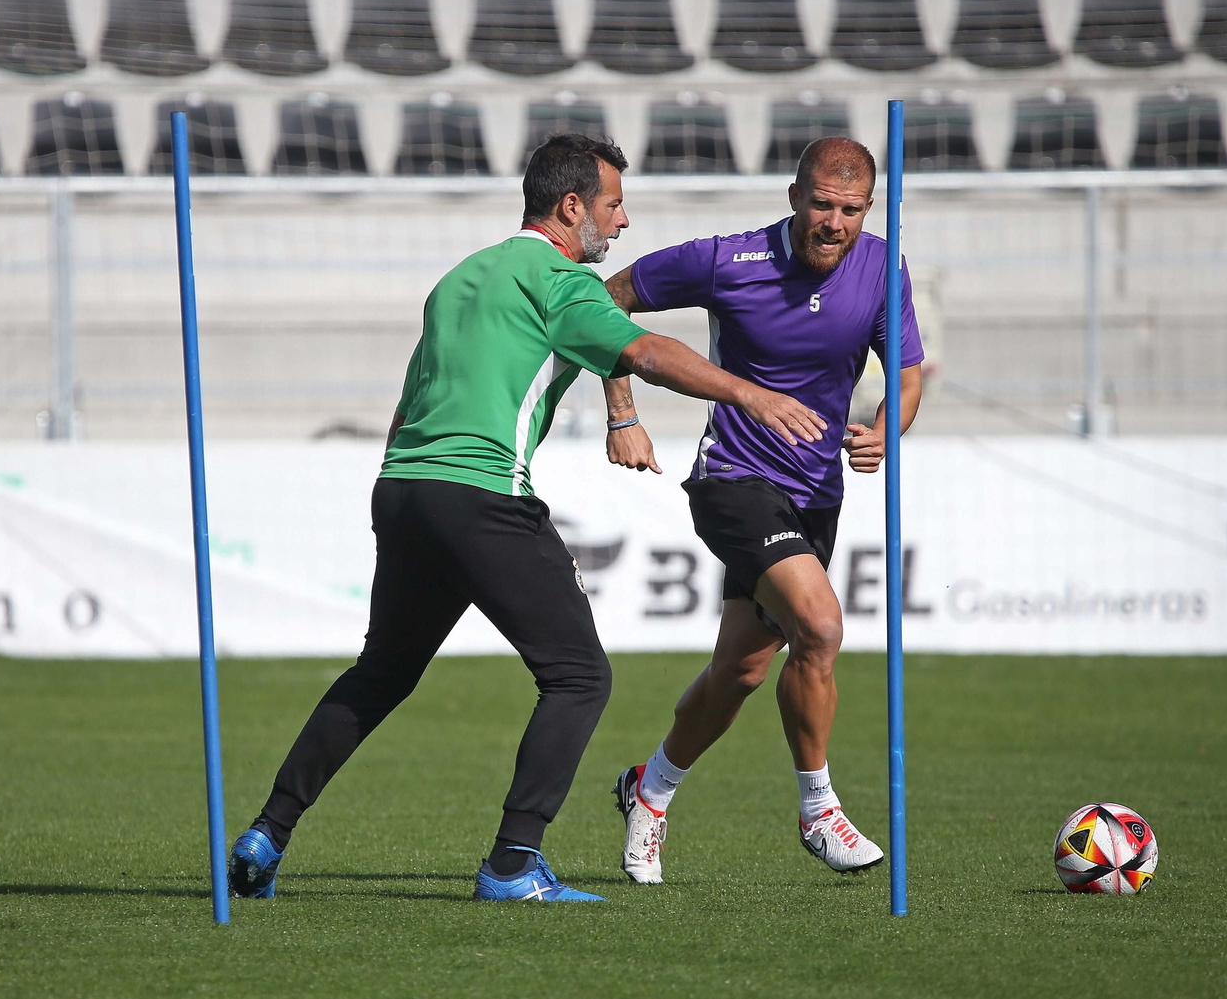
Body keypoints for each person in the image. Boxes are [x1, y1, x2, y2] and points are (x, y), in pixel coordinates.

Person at [226, 134, 828, 904]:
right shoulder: (558, 280)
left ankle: (267, 833)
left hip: (403, 488)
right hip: (481, 495)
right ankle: (512, 861)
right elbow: (645, 348)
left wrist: (399, 498)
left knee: (381, 672)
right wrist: (753, 395)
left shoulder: (458, 278)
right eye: (613, 205)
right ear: (571, 206)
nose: (623, 222)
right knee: (580, 676)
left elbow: (410, 403)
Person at [600, 137, 925, 883]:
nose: (833, 221)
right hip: (733, 478)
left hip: (815, 493)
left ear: (868, 209)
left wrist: (885, 431)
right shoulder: (729, 260)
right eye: (820, 203)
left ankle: (647, 792)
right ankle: (818, 808)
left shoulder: (884, 267)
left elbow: (905, 376)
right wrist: (621, 409)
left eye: (850, 209)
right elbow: (606, 297)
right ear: (793, 196)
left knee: (741, 671)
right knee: (819, 624)